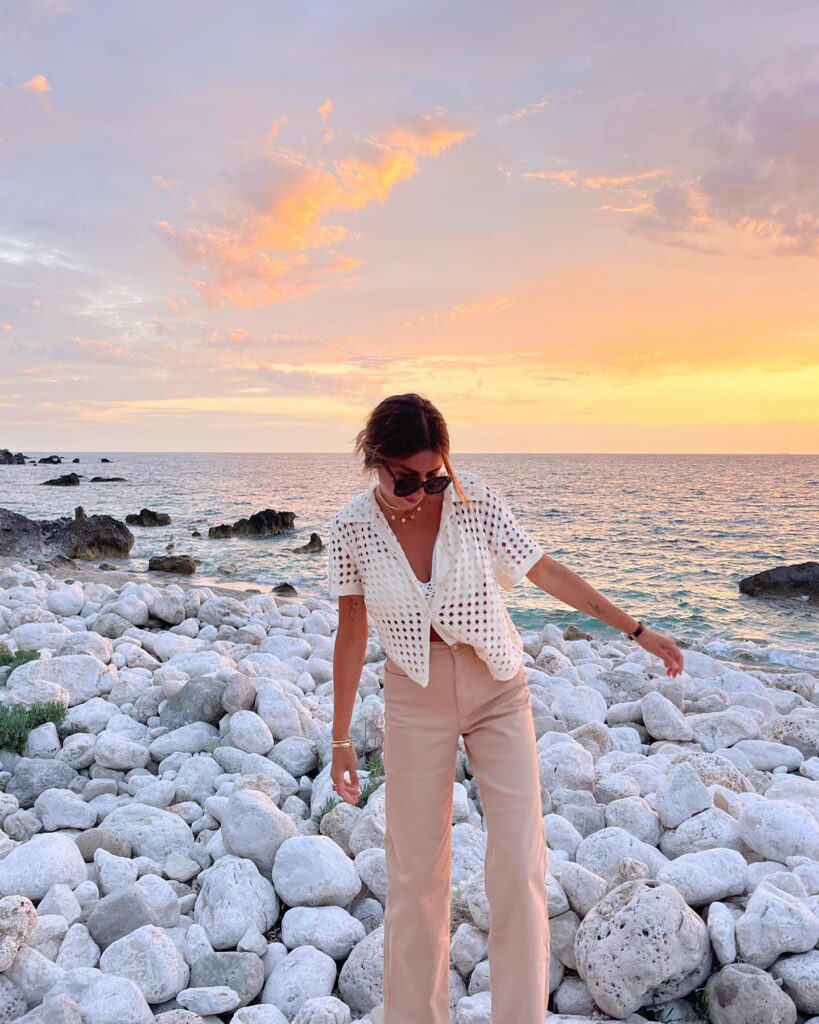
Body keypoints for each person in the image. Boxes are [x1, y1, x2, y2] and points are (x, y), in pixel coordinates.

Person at [327, 393, 684, 1024]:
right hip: (414, 694)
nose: (422, 492)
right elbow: (352, 631)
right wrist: (340, 739)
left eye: (434, 476)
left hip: (497, 686)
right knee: (415, 877)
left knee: (520, 864)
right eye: (406, 479)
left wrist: (636, 630)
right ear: (374, 461)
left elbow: (545, 571)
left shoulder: (475, 502)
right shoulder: (350, 529)